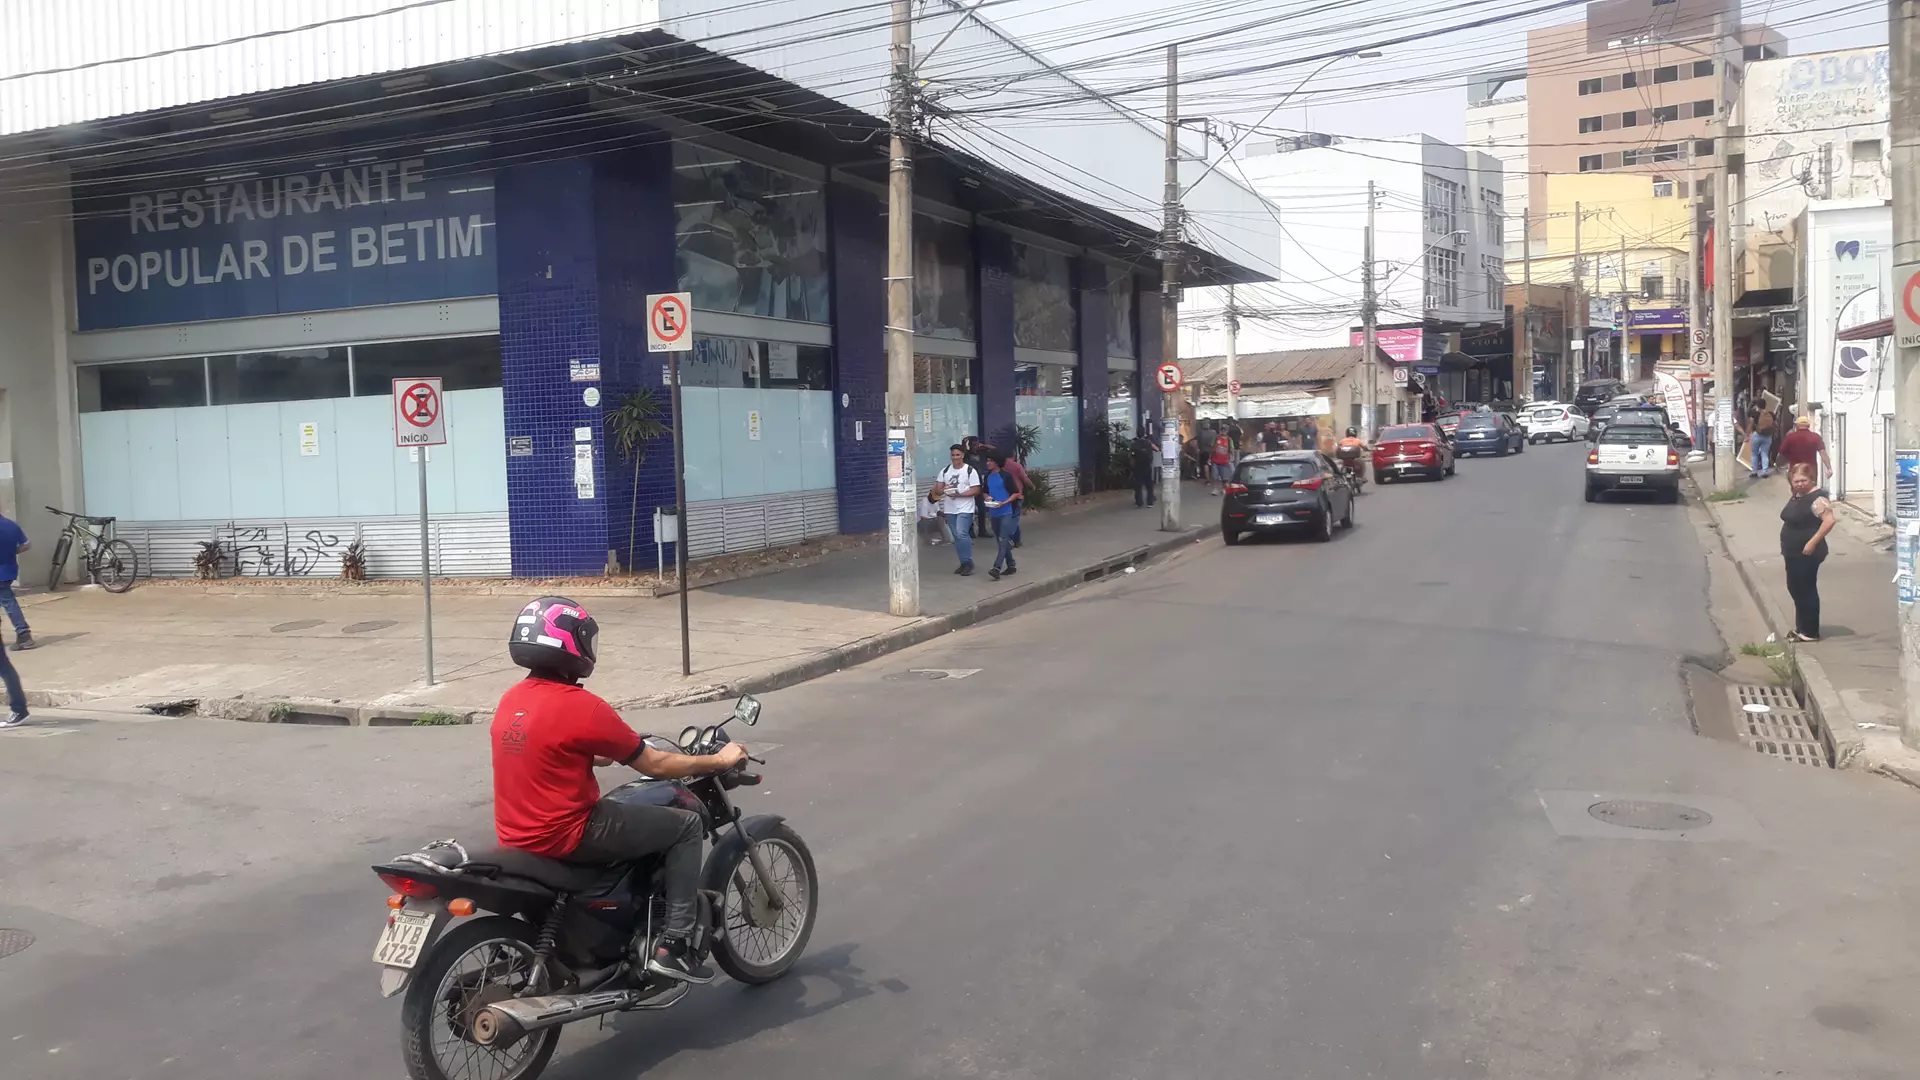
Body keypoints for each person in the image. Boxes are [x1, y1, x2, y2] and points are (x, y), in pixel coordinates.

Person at [491, 596, 748, 983]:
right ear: (570, 645)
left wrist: (589, 756)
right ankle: (674, 946)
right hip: (569, 832)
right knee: (685, 827)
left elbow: (538, 750)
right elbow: (655, 764)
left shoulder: (512, 699)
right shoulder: (582, 706)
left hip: (515, 834)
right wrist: (720, 761)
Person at [1779, 463, 1837, 642]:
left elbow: (1829, 521)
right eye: (1796, 481)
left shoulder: (1817, 499)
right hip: (1792, 551)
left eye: (1804, 480)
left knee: (1806, 589)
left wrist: (1812, 543)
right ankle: (1801, 627)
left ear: (1812, 479)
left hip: (1807, 552)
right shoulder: (1798, 496)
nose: (1800, 484)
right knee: (1795, 588)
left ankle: (1810, 632)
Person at [932, 444, 981, 575]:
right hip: (950, 508)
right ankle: (963, 562)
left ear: (963, 455)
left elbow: (976, 489)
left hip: (965, 507)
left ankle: (968, 562)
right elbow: (937, 490)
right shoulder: (945, 471)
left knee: (961, 533)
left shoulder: (970, 470)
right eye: (953, 455)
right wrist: (944, 489)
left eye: (958, 455)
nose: (955, 458)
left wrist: (960, 494)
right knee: (956, 536)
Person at [983, 455, 1022, 580]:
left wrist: (1005, 502)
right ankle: (1011, 565)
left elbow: (1016, 493)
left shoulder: (1006, 476)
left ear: (997, 462)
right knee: (1001, 541)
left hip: (1006, 511)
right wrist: (987, 497)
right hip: (993, 512)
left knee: (1002, 538)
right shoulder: (988, 476)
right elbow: (985, 491)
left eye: (990, 460)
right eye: (987, 460)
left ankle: (996, 568)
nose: (988, 463)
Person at [0, 511, 30, 650]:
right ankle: (24, 635)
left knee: (8, 602)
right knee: (7, 601)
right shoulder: (12, 525)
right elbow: (27, 545)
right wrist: (12, 552)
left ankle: (24, 635)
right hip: (9, 570)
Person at [1777, 415, 1831, 484]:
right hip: (1811, 471)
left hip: (1795, 470)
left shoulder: (1790, 437)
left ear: (1797, 425)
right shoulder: (1815, 437)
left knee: (1797, 491)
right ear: (1808, 426)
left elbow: (1781, 453)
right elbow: (1823, 453)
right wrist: (1829, 468)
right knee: (1811, 491)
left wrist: (1778, 465)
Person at [1000, 451, 1030, 548]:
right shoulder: (1016, 466)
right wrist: (1033, 487)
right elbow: (1025, 479)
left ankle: (1017, 540)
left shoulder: (1000, 466)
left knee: (1012, 518)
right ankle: (1009, 539)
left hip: (1004, 496)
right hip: (1017, 495)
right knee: (1014, 518)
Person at [1131, 422, 1159, 508]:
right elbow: (1157, 449)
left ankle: (1139, 502)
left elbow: (1131, 456)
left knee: (1138, 485)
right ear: (1144, 433)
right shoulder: (1148, 442)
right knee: (1149, 485)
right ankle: (1150, 502)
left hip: (1137, 466)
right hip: (1147, 465)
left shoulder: (1133, 443)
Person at [1748, 403, 1776, 478]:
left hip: (1757, 435)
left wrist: (1748, 434)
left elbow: (1750, 423)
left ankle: (1754, 472)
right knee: (1765, 454)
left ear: (1757, 406)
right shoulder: (1771, 414)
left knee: (1754, 454)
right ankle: (1765, 472)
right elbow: (1774, 423)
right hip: (1767, 436)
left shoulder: (1755, 414)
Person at [1208, 426, 1234, 495]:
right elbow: (1212, 448)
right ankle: (1215, 489)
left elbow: (1231, 448)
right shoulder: (1216, 438)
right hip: (1215, 461)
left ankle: (1223, 489)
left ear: (1227, 431)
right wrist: (1209, 458)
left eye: (1225, 430)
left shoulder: (1229, 439)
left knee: (1224, 477)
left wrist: (1232, 457)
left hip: (1225, 461)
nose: (1223, 431)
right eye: (1222, 430)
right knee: (1214, 476)